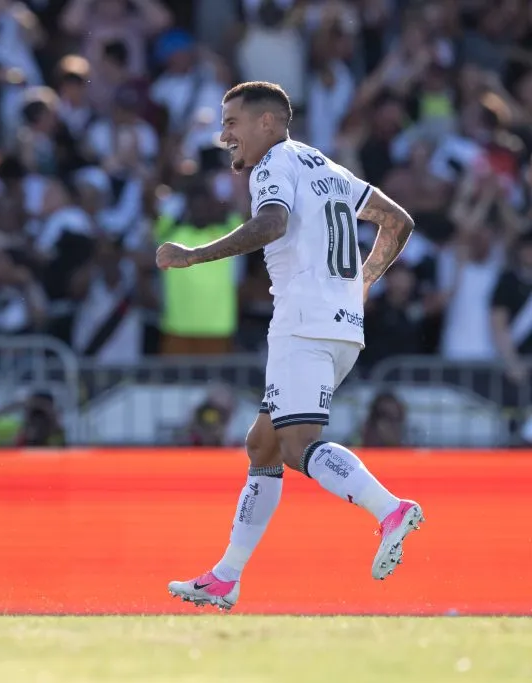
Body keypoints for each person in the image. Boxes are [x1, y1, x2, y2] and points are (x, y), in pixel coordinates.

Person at [156, 81, 422, 611]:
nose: (225, 134)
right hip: (342, 327)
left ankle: (391, 509)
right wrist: (363, 280)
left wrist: (193, 256)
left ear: (268, 124)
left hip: (301, 323)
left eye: (233, 123)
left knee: (299, 445)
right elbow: (398, 222)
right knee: (264, 444)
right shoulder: (326, 167)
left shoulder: (274, 164)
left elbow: (272, 223)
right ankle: (226, 577)